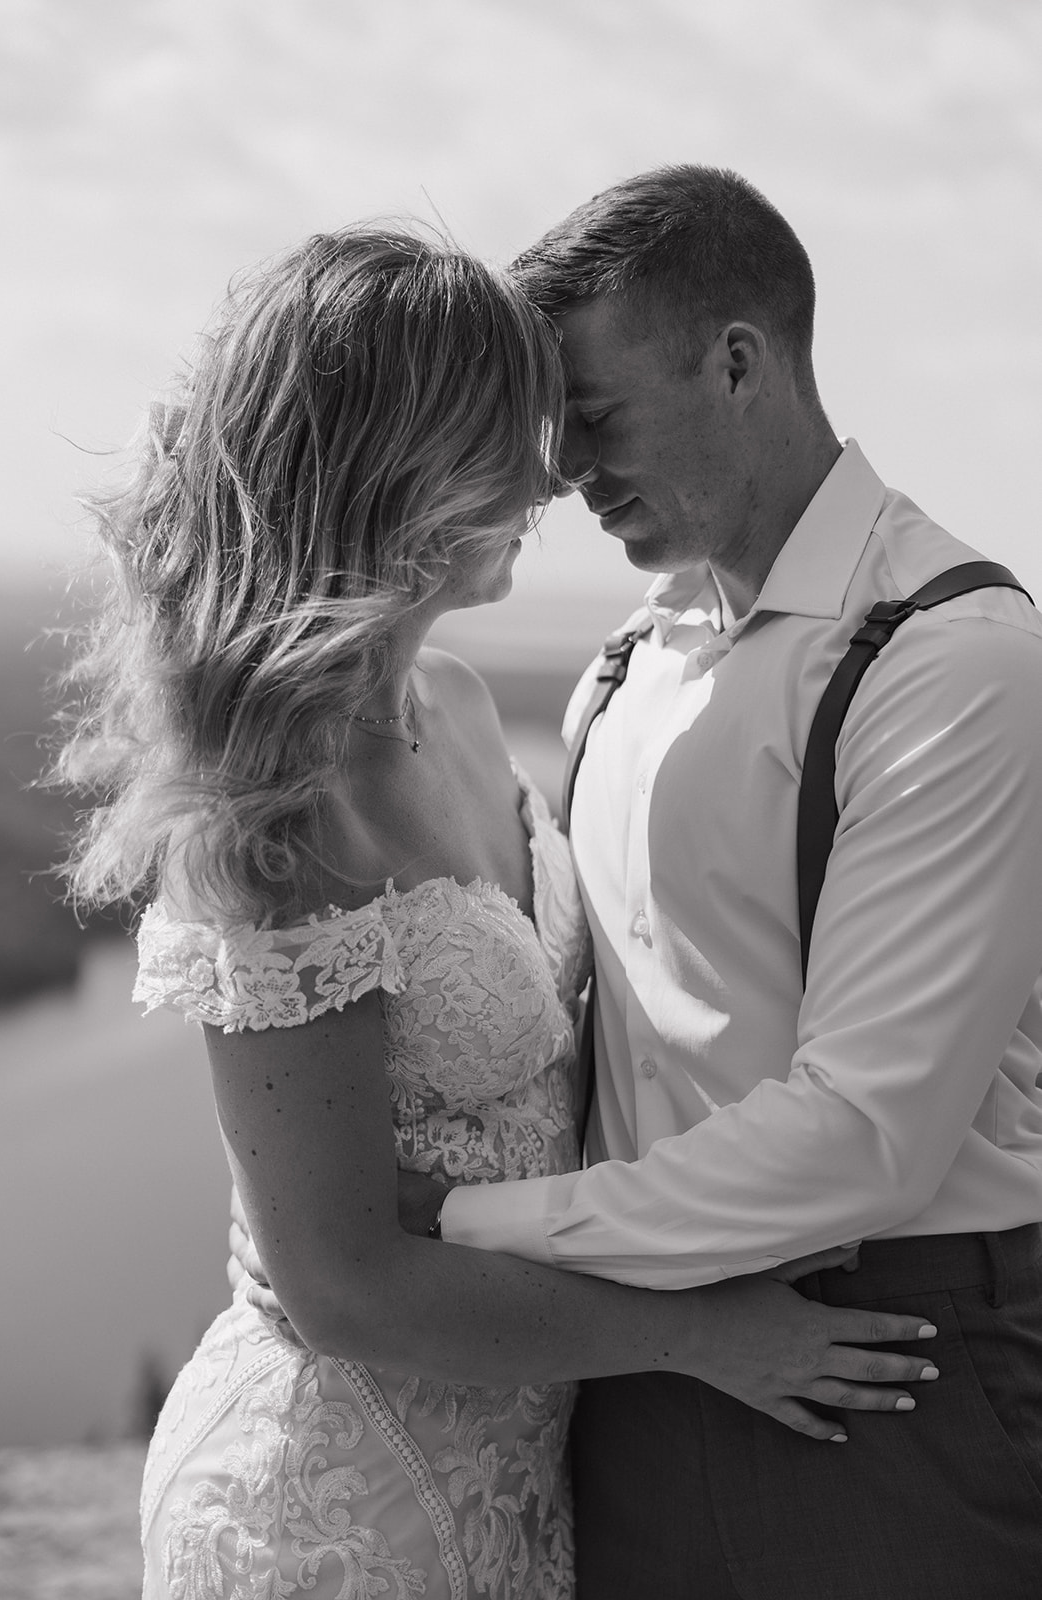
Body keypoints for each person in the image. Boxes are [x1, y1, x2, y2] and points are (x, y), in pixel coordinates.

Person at [55, 225, 939, 1600]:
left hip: (520, 1470)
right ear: (396, 459)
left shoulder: (460, 709)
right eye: (515, 429)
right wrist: (707, 1336)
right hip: (335, 1508)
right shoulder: (275, 808)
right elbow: (344, 1286)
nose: (556, 472)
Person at [395, 166, 1042, 1596]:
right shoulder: (631, 662)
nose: (568, 474)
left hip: (882, 1369)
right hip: (626, 1366)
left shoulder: (954, 660)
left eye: (599, 418)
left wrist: (468, 1234)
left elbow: (867, 1132)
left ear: (739, 359)